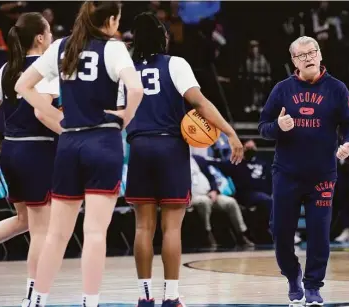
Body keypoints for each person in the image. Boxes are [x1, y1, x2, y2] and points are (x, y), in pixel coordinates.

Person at [14, 2, 144, 307]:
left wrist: (57, 115)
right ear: (112, 19)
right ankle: (89, 302)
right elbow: (136, 90)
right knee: (95, 232)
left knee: (57, 235)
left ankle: (37, 301)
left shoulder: (61, 46)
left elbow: (23, 85)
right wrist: (124, 118)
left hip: (69, 145)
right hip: (103, 141)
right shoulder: (113, 48)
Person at [123, 12, 243, 307]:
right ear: (162, 37)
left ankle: (144, 296)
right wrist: (229, 132)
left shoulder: (126, 70)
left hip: (138, 146)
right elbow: (200, 103)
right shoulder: (175, 65)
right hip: (170, 147)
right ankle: (172, 297)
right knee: (171, 228)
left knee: (142, 228)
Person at [258, 36, 349, 305]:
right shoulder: (282, 89)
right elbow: (263, 127)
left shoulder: (337, 89)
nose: (309, 58)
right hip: (286, 173)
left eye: (312, 52)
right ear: (294, 61)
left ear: (320, 54)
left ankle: (313, 286)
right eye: (302, 55)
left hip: (322, 174)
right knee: (280, 231)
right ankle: (293, 276)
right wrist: (279, 126)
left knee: (319, 233)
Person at [0, 12, 60, 303]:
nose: (52, 39)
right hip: (36, 151)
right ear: (39, 38)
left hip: (10, 152)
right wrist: (73, 130)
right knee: (41, 230)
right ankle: (32, 298)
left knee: (24, 219)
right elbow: (42, 113)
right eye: (49, 33)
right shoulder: (46, 69)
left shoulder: (8, 68)